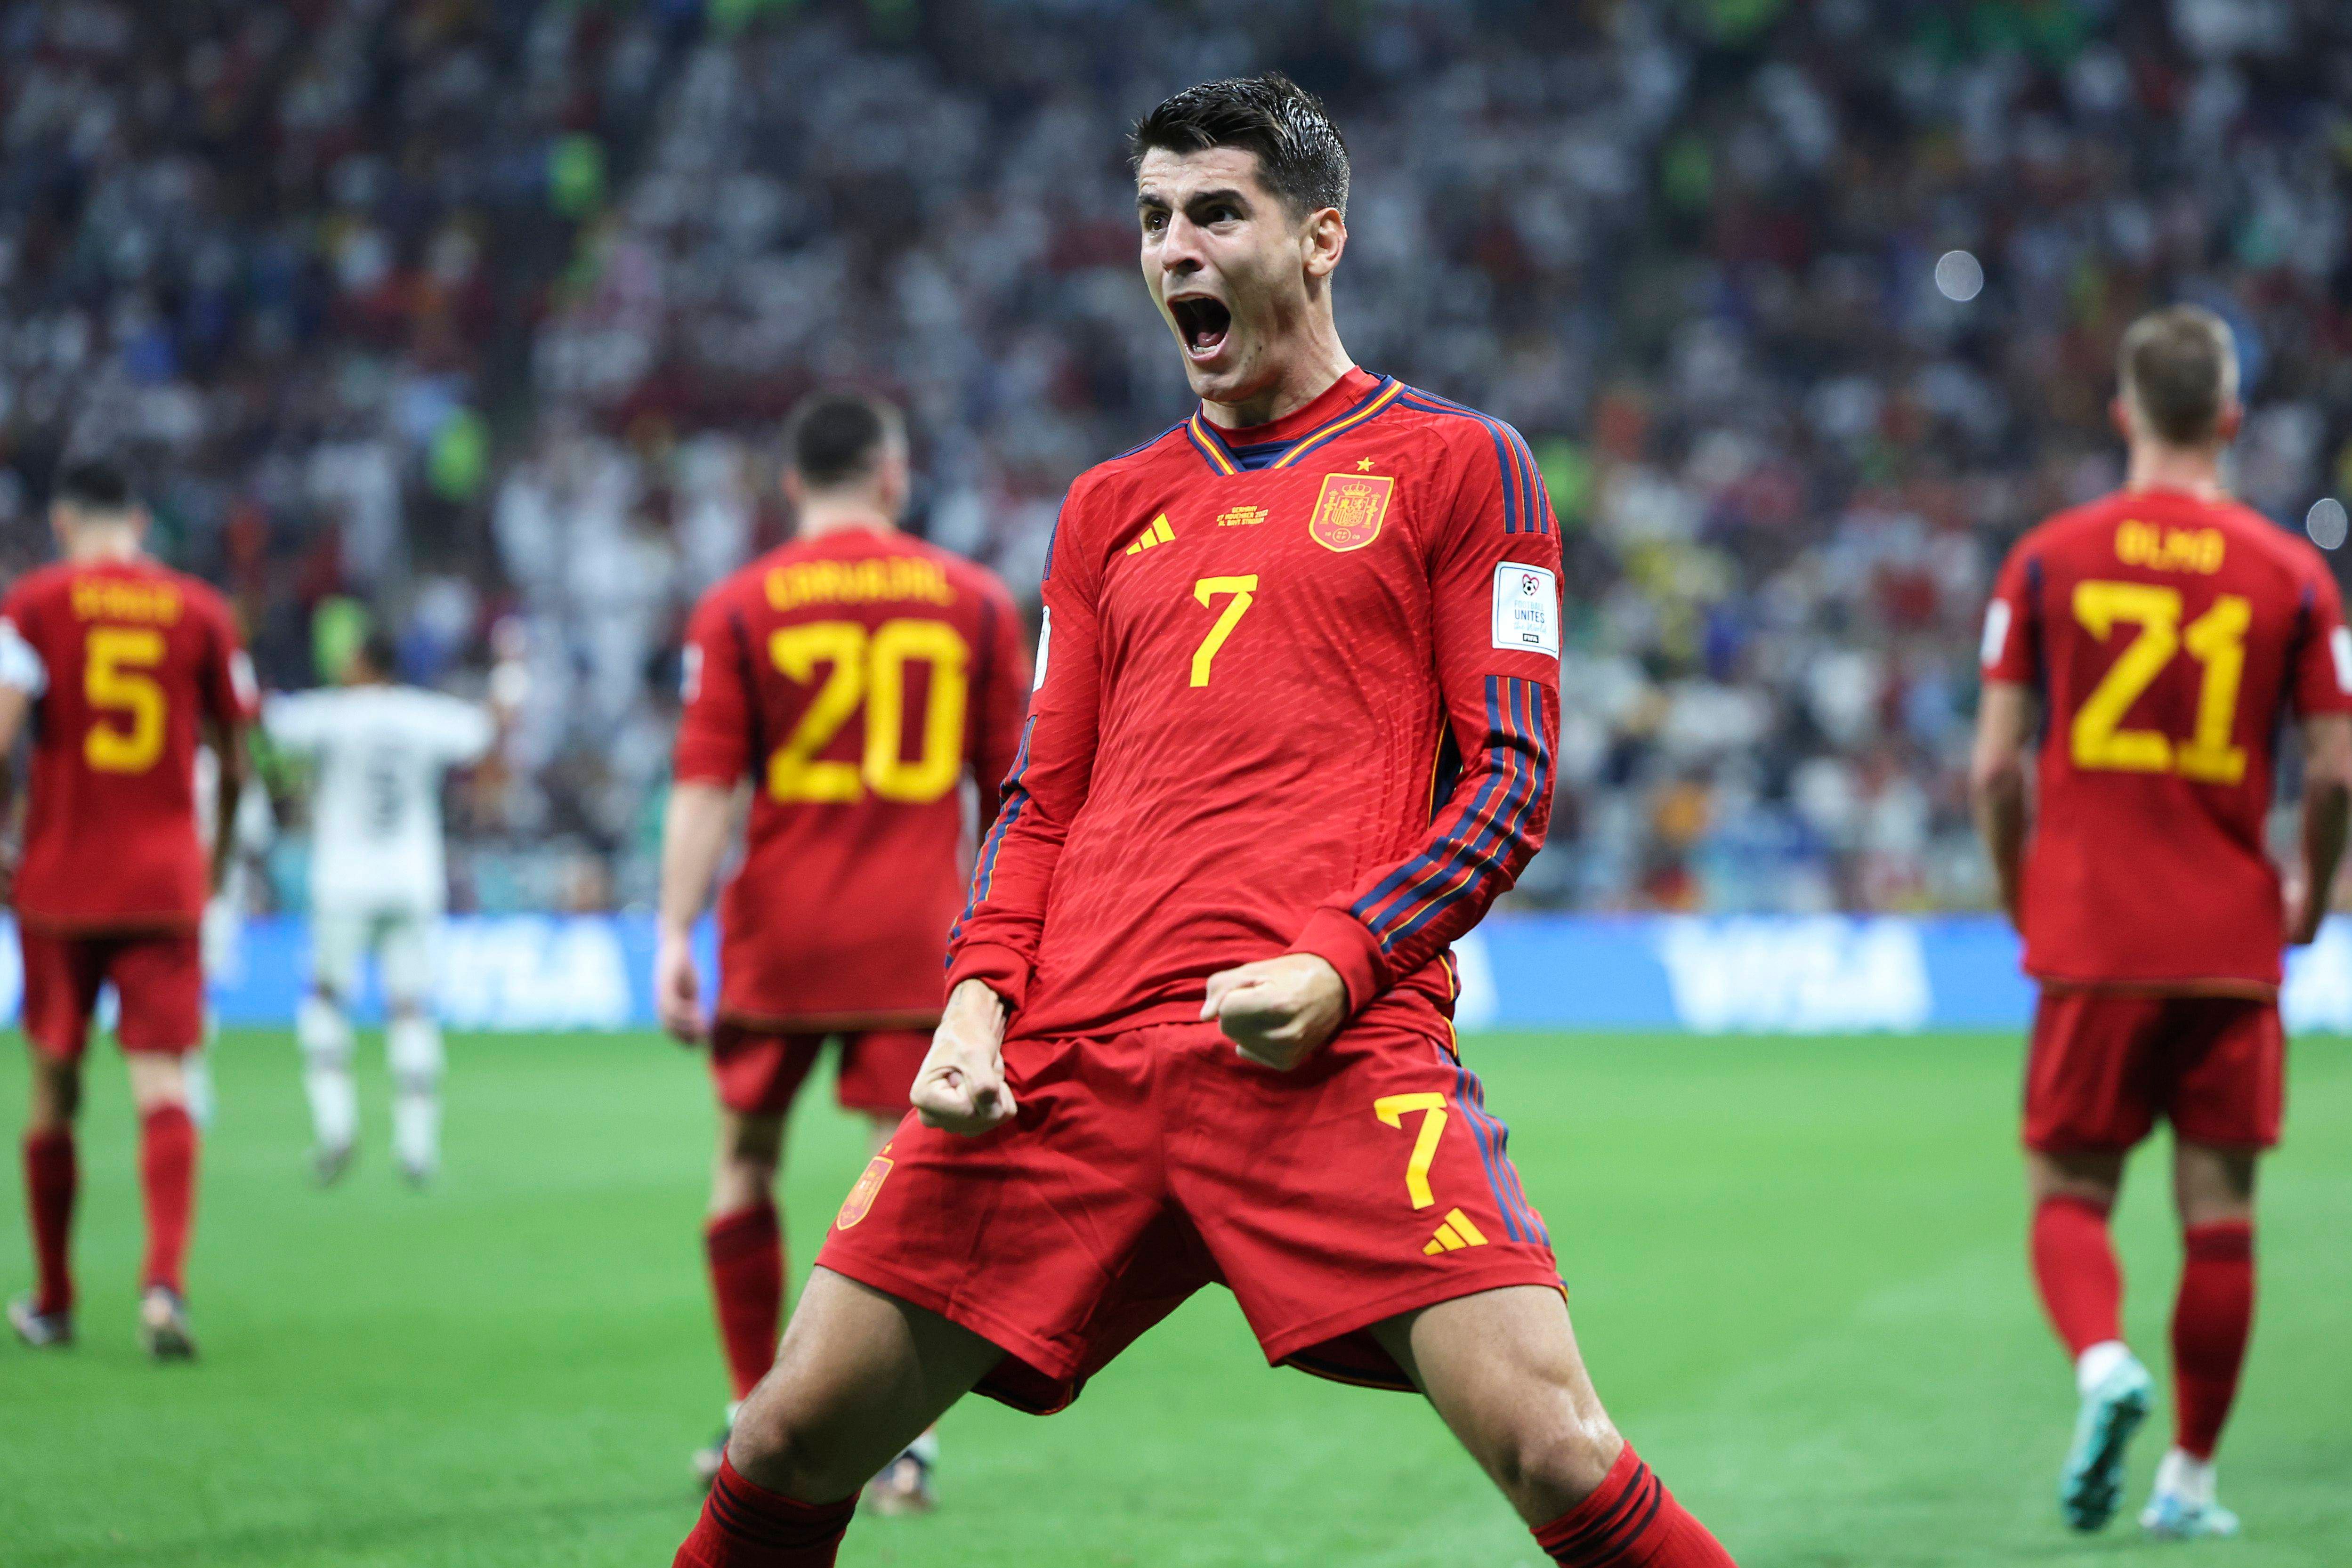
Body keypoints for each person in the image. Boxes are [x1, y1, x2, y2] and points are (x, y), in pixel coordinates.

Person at [673, 75, 1738, 1568]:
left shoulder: (1463, 465)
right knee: (784, 1436)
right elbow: (1042, 800)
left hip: (1327, 1054)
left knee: (1556, 1447)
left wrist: (1337, 963)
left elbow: (1510, 784)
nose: (1174, 248)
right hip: (1070, 1056)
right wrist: (975, 1001)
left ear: (1320, 238)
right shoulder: (1106, 507)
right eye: (1154, 219)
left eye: (1217, 213)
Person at [1972, 304, 2352, 1539]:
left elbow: (1994, 770)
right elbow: (2336, 773)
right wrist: (2307, 898)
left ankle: (2102, 1364)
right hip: (2232, 942)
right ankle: (2188, 1480)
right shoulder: (2294, 574)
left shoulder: (2045, 559)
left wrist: (2022, 893)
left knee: (2066, 1190)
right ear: (2230, 419)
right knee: (2219, 1219)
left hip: (2093, 935)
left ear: (2123, 412)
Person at [657, 390, 1029, 1503]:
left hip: (778, 936)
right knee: (909, 1181)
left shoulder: (738, 606)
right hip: (917, 936)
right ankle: (904, 1441)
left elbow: (705, 787)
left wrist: (673, 930)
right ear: (890, 475)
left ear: (790, 483)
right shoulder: (972, 602)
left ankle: (750, 1410)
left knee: (744, 1162)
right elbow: (1014, 792)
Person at [2, 459, 256, 1359]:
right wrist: (214, 861)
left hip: (60, 880)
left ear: (63, 524)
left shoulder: (34, 603)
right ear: (140, 523)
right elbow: (237, 760)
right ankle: (163, 1288)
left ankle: (55, 1300)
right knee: (162, 1083)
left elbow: (1, 732)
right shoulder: (201, 610)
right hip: (162, 882)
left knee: (54, 1086)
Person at [263, 631, 496, 1186]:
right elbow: (482, 731)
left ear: (366, 664)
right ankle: (417, 1147)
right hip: (412, 881)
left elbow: (272, 721)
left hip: (343, 882)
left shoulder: (334, 713)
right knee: (411, 1008)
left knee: (326, 1001)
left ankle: (335, 1128)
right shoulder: (425, 714)